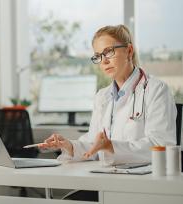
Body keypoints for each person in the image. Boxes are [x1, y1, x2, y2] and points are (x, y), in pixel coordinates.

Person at [38, 24, 177, 165]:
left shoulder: (156, 90)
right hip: (106, 179)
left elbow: (161, 146)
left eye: (109, 52)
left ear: (129, 51)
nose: (104, 61)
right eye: (98, 56)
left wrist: (112, 147)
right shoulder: (102, 96)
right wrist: (69, 146)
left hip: (144, 182)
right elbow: (94, 144)